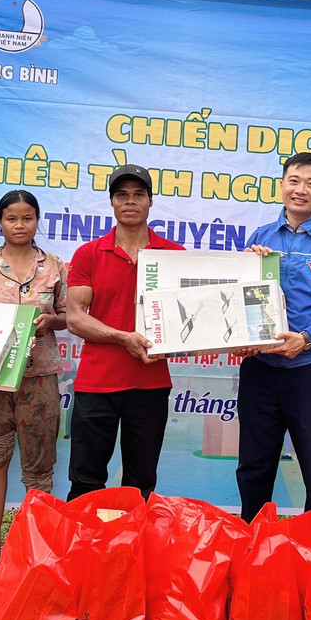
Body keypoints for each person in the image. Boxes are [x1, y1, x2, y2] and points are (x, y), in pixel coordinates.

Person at [235, 152, 311, 522]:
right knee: (253, 467)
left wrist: (305, 339)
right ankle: (251, 547)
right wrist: (246, 266)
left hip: (309, 370)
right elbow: (239, 301)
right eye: (294, 180)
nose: (300, 190)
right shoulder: (259, 237)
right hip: (259, 369)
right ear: (282, 184)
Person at [0, 190, 67, 578]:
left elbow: (70, 316)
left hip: (38, 377)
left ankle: (33, 546)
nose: (19, 226)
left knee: (39, 468)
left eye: (27, 218)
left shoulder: (54, 266)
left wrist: (49, 320)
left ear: (38, 221)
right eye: (11, 219)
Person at [65, 165, 184, 500]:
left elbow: (189, 322)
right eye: (122, 195)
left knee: (140, 483)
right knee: (86, 481)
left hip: (150, 384)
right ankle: (85, 551)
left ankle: (132, 551)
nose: (130, 201)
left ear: (150, 202)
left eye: (138, 194)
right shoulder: (89, 253)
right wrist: (123, 337)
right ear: (112, 203)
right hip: (96, 383)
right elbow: (75, 318)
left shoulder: (175, 256)